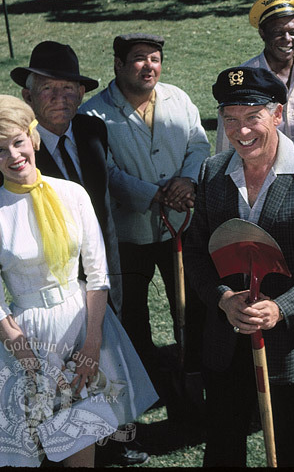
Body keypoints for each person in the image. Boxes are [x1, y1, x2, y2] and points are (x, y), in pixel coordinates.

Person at [0, 40, 148, 465]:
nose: (13, 155)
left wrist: (91, 337)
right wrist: (29, 361)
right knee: (26, 447)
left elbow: (99, 244)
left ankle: (113, 445)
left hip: (85, 309)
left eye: (70, 88)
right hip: (29, 335)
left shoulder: (85, 154)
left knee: (84, 432)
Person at [182, 65, 294, 467]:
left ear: (277, 114)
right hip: (224, 344)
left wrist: (280, 308)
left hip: (288, 347)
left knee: (288, 448)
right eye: (230, 120)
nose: (241, 132)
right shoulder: (212, 171)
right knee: (223, 447)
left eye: (252, 117)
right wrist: (223, 300)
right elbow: (196, 256)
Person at [82, 33, 210, 382]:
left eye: (155, 58)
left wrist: (187, 181)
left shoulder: (178, 99)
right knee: (133, 312)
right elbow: (103, 170)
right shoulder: (92, 113)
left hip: (181, 225)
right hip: (128, 233)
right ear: (118, 64)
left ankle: (192, 370)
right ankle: (145, 378)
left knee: (190, 303)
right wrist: (153, 195)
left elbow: (198, 144)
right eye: (139, 58)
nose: (149, 66)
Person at [215, 0, 294, 153]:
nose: (287, 39)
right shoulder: (243, 80)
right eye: (278, 33)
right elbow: (225, 146)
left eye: (293, 33)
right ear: (263, 33)